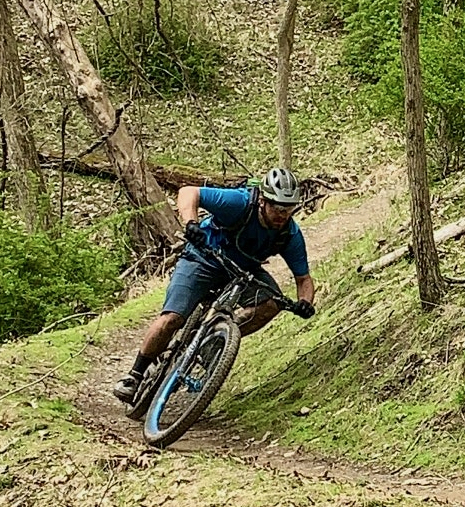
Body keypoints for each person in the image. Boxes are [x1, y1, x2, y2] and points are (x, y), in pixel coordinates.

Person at [113, 167, 317, 404]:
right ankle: (135, 375)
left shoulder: (290, 234)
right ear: (263, 201)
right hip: (203, 258)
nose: (283, 215)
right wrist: (191, 224)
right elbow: (190, 192)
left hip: (242, 272)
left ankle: (217, 339)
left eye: (289, 209)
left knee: (271, 305)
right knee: (172, 318)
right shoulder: (239, 203)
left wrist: (305, 303)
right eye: (278, 208)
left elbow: (303, 279)